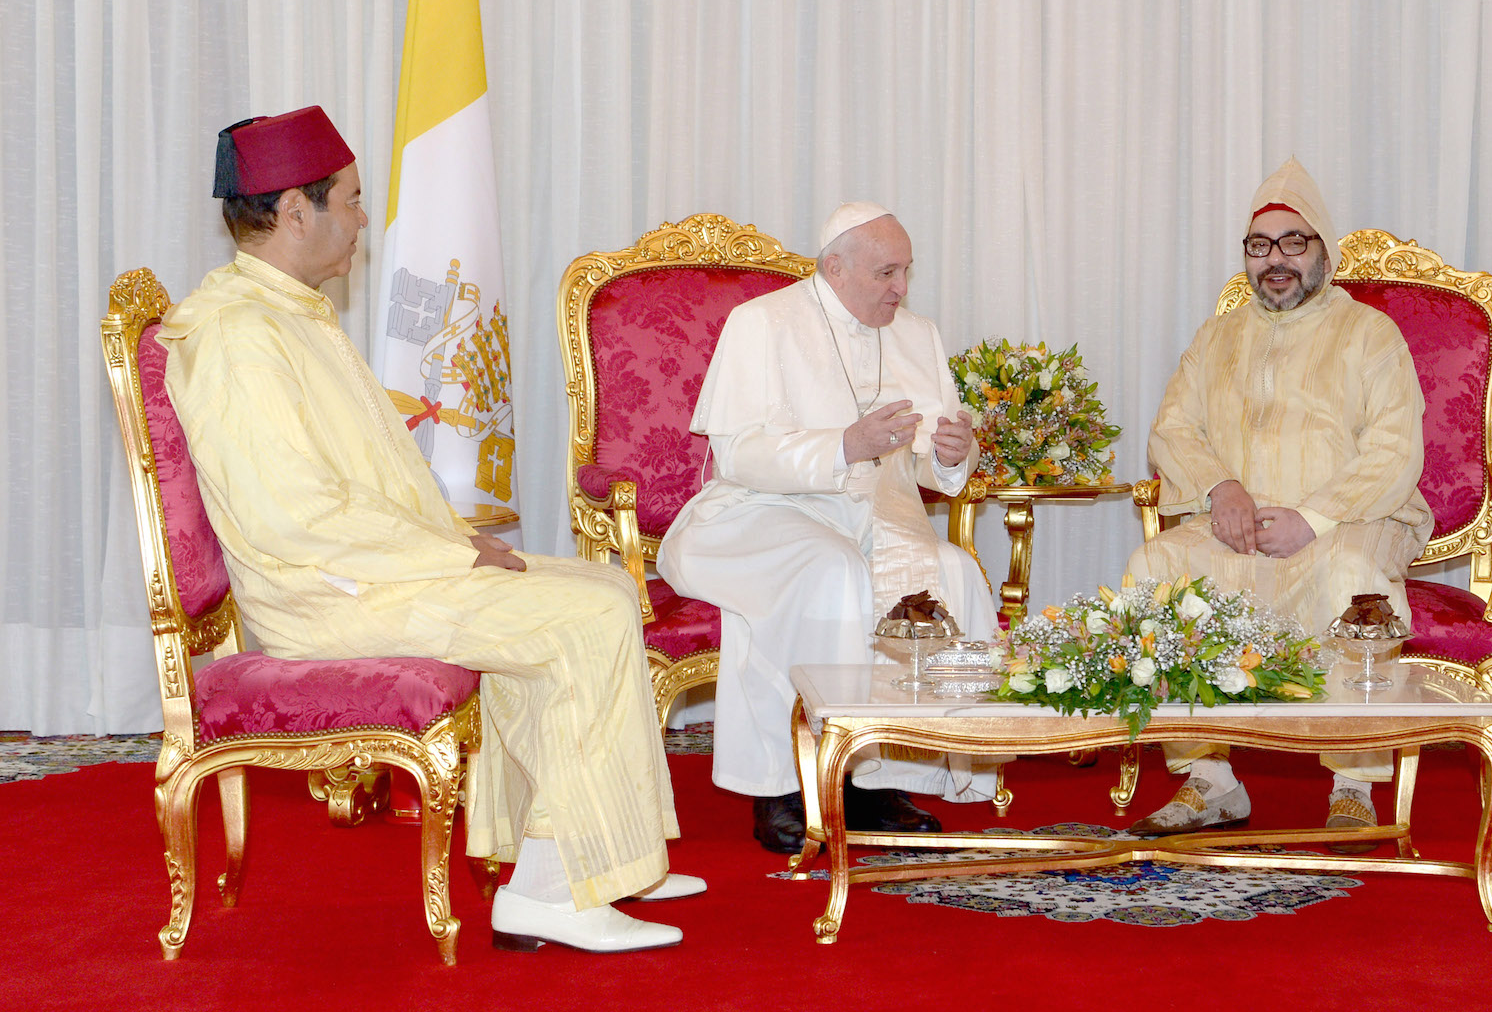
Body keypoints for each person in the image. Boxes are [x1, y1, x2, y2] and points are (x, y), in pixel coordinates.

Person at [163, 106, 693, 955]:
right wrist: (452, 550)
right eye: (352, 199)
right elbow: (294, 514)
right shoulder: (237, 336)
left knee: (600, 587)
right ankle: (555, 893)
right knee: (587, 621)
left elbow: (367, 478)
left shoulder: (284, 310)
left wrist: (451, 545)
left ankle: (590, 852)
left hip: (375, 570)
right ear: (295, 212)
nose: (364, 220)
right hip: (329, 597)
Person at [659, 203, 1004, 855]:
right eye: (886, 272)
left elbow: (930, 455)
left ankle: (883, 775)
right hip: (763, 511)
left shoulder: (916, 334)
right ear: (834, 266)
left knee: (952, 569)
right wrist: (844, 444)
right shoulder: (762, 323)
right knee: (830, 572)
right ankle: (788, 783)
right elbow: (741, 455)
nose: (900, 288)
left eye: (905, 271)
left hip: (872, 515)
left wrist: (954, 454)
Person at [1124, 159, 1432, 840]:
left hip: (1353, 518)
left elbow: (1393, 451)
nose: (1276, 261)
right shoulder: (1216, 336)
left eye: (1294, 243)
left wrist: (1312, 518)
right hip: (1237, 523)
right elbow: (1172, 428)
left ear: (1324, 250)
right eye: (1260, 246)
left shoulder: (1369, 335)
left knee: (1351, 580)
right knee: (1156, 569)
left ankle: (1353, 783)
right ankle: (1210, 780)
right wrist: (1220, 489)